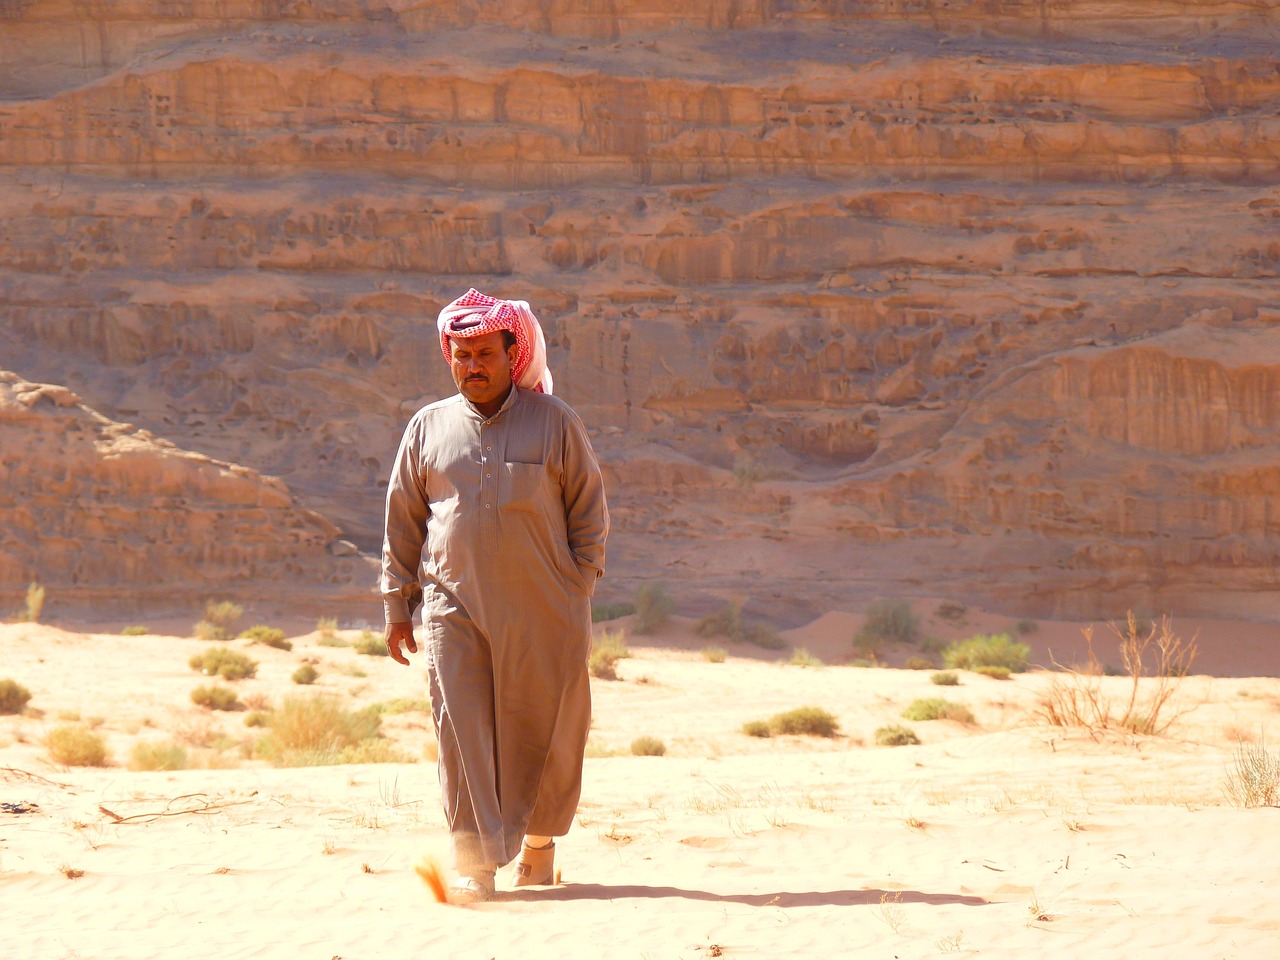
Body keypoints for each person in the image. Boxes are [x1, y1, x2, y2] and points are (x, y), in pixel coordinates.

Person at [380, 288, 609, 903]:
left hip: (547, 609)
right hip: (452, 606)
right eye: (462, 354)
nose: (473, 365)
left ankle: (539, 843)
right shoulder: (427, 426)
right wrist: (396, 603)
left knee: (552, 729)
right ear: (449, 358)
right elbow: (403, 519)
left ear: (514, 355)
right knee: (460, 729)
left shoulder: (555, 422)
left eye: (486, 352)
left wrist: (577, 584)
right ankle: (475, 862)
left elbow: (589, 510)